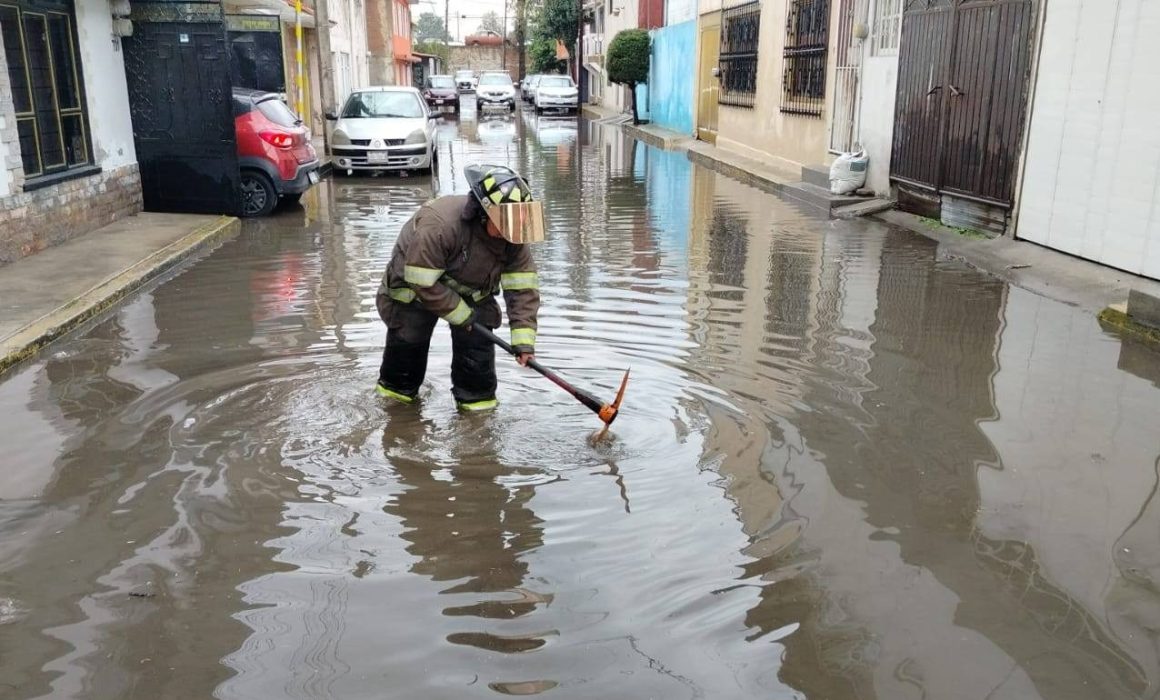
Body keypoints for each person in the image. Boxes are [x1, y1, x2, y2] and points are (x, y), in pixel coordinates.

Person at [375, 164, 545, 411]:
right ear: (484, 213)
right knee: (405, 359)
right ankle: (396, 414)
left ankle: (476, 424)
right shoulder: (439, 225)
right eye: (505, 221)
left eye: (518, 219)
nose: (513, 229)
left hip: (473, 291)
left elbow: (523, 289)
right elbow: (421, 281)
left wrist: (524, 342)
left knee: (478, 367)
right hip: (414, 292)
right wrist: (462, 315)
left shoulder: (513, 233)